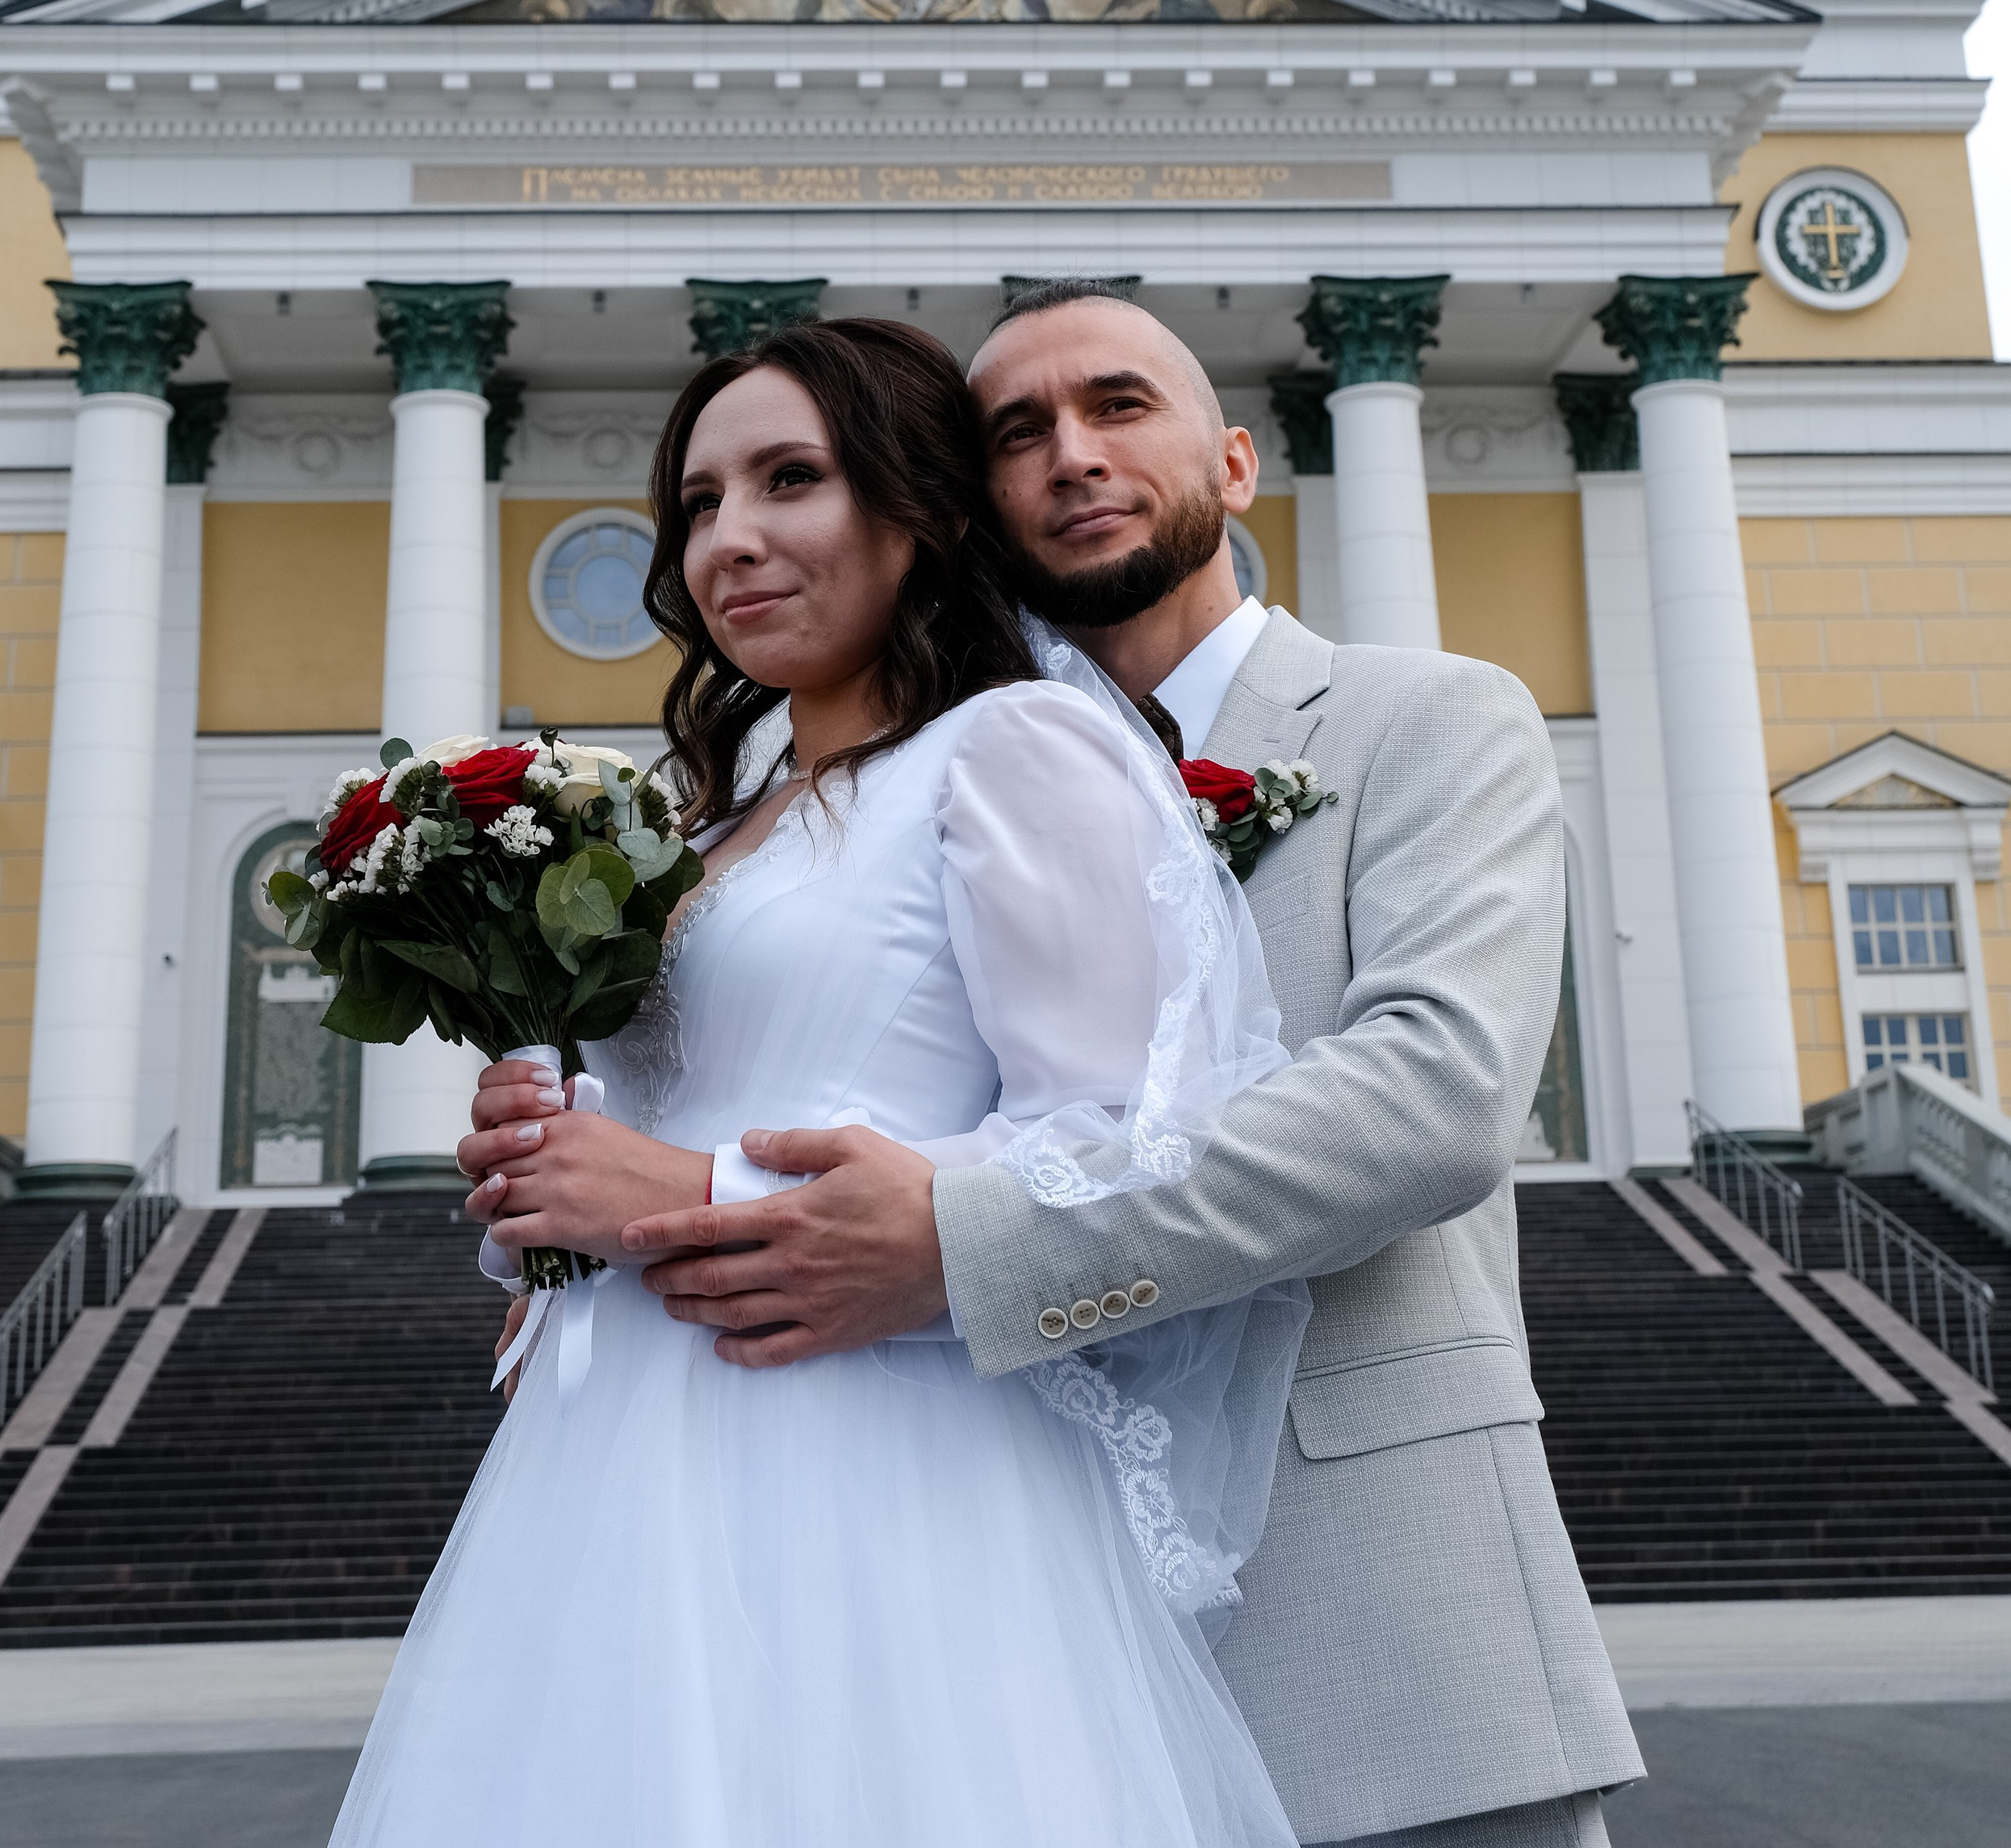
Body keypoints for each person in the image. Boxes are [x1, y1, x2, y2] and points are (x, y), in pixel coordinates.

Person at [612, 284, 1645, 1848]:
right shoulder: (874, 782)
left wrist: (965, 1246)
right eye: (1015, 432)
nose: (1069, 457)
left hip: (1367, 1624)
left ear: (1233, 464)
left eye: (1116, 406)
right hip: (981, 1614)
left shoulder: (1422, 720)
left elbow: (1430, 1103)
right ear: (960, 502)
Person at [335, 316, 1309, 1848]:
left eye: (792, 479)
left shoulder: (1013, 749)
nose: (733, 538)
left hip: (882, 1461)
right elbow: (672, 1118)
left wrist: (695, 1195)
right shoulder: (701, 823)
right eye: (701, 503)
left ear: (916, 512)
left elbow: (1130, 1141)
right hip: (618, 1476)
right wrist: (551, 1171)